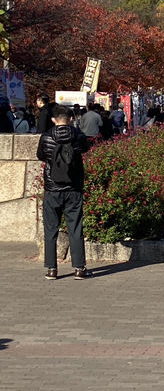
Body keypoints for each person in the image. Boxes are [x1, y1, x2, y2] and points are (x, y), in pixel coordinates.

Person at [36, 104, 92, 280]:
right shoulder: (78, 136)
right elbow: (86, 148)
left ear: (53, 119)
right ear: (71, 119)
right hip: (73, 187)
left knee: (50, 229)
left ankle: (51, 269)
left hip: (52, 188)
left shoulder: (46, 137)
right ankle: (79, 268)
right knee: (75, 228)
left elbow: (41, 156)